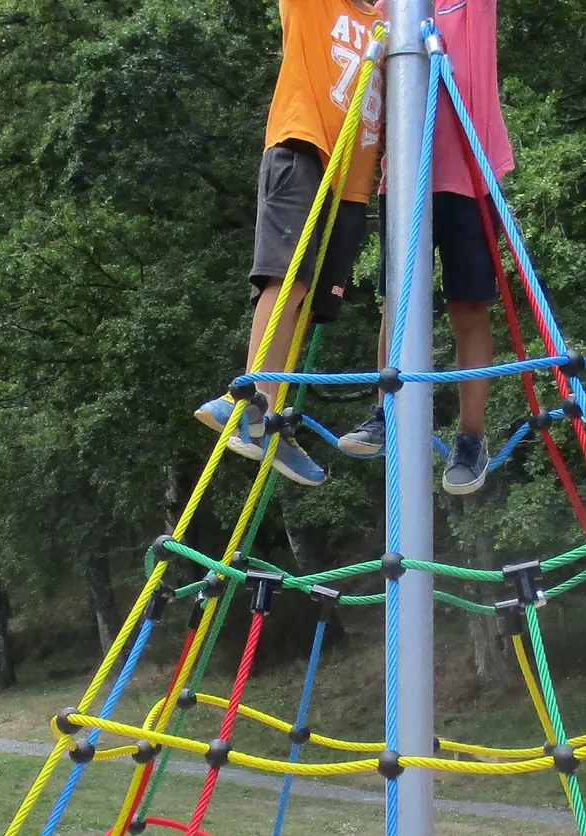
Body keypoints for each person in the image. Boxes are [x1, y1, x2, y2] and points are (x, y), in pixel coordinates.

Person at [193, 0, 387, 488]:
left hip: (352, 184)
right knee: (287, 280)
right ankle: (248, 402)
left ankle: (270, 421)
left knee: (309, 305)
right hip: (303, 148)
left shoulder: (391, 23)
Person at [336, 0, 513, 496]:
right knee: (397, 301)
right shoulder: (388, 10)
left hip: (469, 173)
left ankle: (471, 438)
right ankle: (385, 413)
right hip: (405, 175)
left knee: (468, 304)